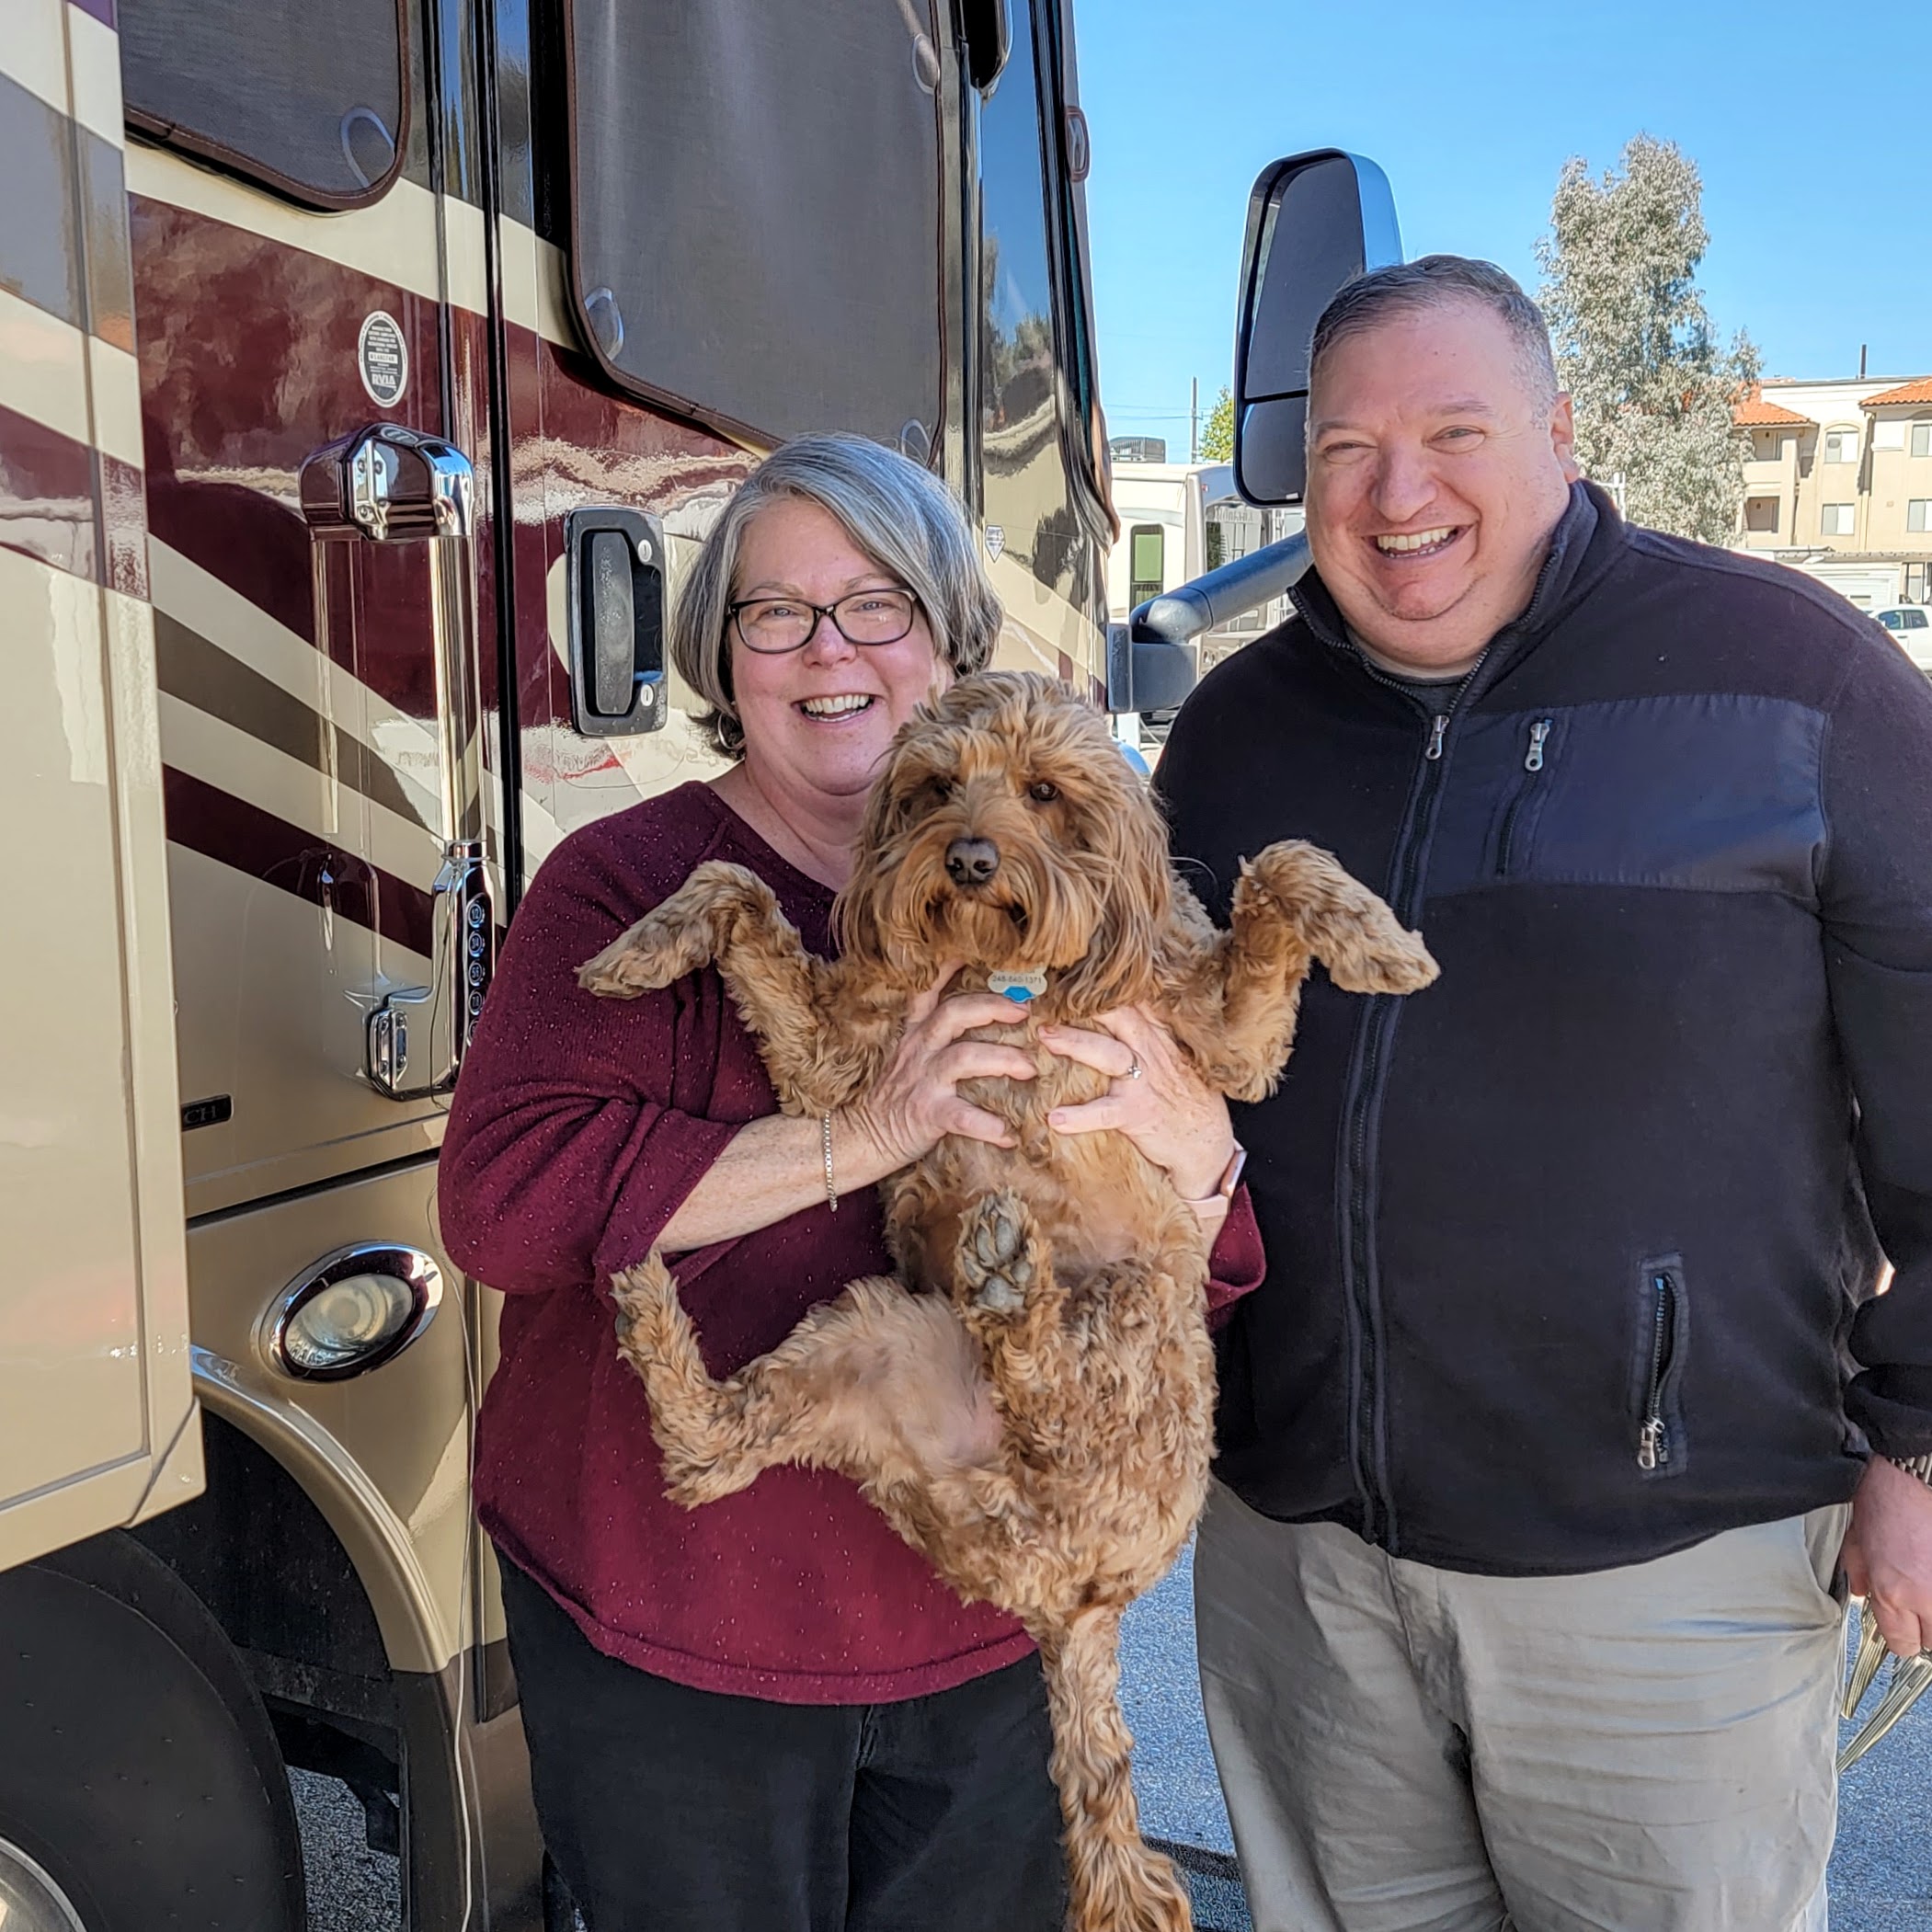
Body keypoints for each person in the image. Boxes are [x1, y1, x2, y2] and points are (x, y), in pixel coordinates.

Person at [1155, 256, 1932, 1932]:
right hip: (1301, 1562)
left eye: (1453, 431)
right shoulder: (1229, 736)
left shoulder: (1795, 684)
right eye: (1349, 447)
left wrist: (1919, 1456)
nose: (1398, 491)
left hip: (1665, 1568)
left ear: (1562, 434)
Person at [438, 432, 1262, 1932]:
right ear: (721, 654)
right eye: (776, 613)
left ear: (948, 633)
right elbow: (499, 1205)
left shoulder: (1071, 898)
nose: (830, 652)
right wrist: (863, 1134)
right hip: (677, 1643)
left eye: (875, 603)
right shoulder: (625, 881)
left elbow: (1197, 1265)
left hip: (980, 1637)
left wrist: (1203, 1155)